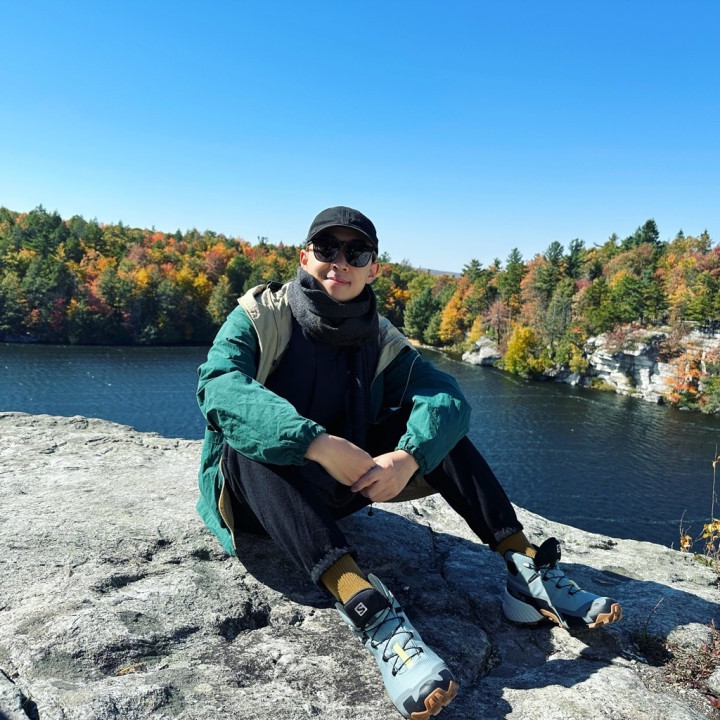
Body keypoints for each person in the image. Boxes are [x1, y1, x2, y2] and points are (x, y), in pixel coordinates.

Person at [196, 206, 622, 720]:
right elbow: (219, 386)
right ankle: (367, 608)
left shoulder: (377, 336)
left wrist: (407, 457)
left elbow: (447, 398)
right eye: (327, 248)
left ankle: (522, 568)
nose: (340, 262)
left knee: (438, 430)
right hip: (261, 501)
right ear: (305, 257)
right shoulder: (260, 316)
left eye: (356, 252)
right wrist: (316, 443)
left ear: (373, 268)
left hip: (341, 487)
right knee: (246, 443)